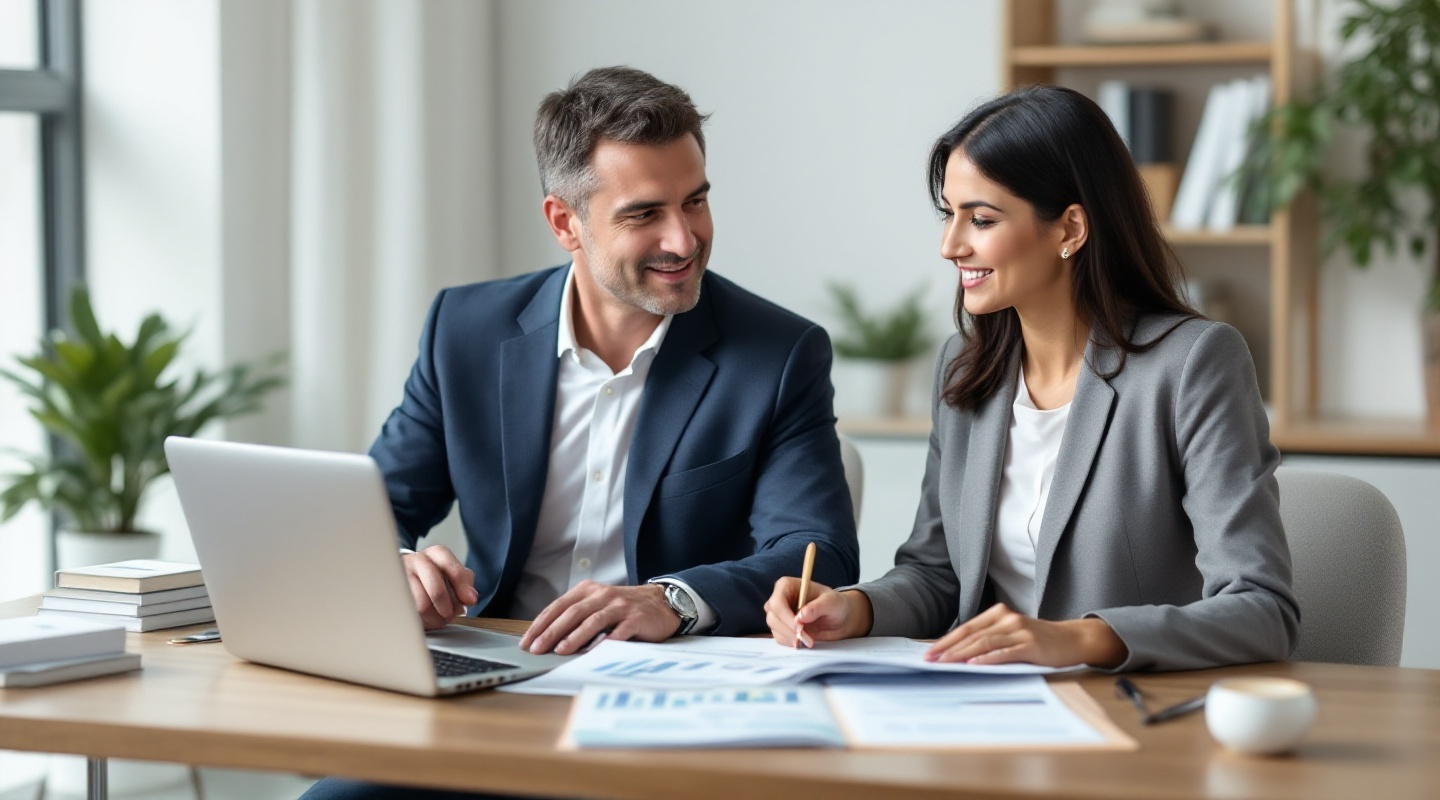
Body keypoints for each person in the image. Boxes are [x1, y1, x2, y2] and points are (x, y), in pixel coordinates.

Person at [763, 84, 1299, 672]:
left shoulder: (1193, 363)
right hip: (987, 712)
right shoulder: (965, 369)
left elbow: (1261, 609)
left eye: (982, 219)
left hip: (1129, 716)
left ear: (1070, 229)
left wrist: (1078, 639)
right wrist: (855, 608)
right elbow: (937, 574)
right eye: (949, 214)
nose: (950, 245)